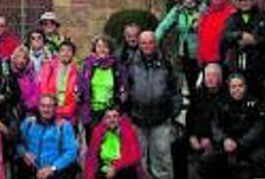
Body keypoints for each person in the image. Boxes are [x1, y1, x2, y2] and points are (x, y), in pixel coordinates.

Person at [126, 31, 182, 179]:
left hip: (161, 120)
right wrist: (128, 116)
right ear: (139, 44)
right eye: (143, 43)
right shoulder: (131, 64)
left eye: (150, 42)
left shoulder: (167, 63)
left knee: (162, 160)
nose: (147, 46)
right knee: (140, 160)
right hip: (138, 120)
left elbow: (175, 89)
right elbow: (125, 90)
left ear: (155, 43)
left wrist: (173, 113)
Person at [221, 0, 265, 99]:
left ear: (252, 0)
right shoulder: (232, 18)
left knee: (260, 95)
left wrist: (255, 40)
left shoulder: (264, 17)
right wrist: (239, 35)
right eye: (241, 0)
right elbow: (225, 37)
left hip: (260, 64)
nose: (244, 3)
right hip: (238, 64)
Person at [210, 74, 265, 179]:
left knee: (260, 159)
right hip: (227, 144)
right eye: (233, 86)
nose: (237, 89)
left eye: (240, 86)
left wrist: (240, 143)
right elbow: (215, 126)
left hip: (249, 146)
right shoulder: (221, 103)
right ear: (229, 88)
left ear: (245, 87)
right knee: (208, 158)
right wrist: (224, 140)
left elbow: (259, 128)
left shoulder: (255, 104)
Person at [155, 0, 205, 94]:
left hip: (202, 52)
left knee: (202, 83)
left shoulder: (203, 9)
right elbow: (163, 26)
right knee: (190, 82)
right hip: (185, 52)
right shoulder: (178, 10)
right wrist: (153, 41)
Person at [16, 94, 79, 179]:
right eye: (43, 106)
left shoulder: (64, 126)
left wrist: (52, 168)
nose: (46, 109)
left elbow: (72, 152)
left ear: (55, 108)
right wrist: (24, 153)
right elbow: (18, 142)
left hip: (55, 173)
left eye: (50, 106)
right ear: (38, 107)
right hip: (31, 171)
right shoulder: (29, 123)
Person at [78, 35, 127, 137]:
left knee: (108, 144)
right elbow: (80, 83)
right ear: (94, 49)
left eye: (105, 47)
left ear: (110, 49)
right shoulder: (87, 65)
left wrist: (122, 95)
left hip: (110, 111)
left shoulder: (116, 65)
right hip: (91, 112)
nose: (102, 50)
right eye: (99, 46)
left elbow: (122, 85)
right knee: (92, 143)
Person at [187, 64, 225, 179]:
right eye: (208, 75)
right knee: (176, 148)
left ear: (220, 78)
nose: (210, 78)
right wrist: (191, 137)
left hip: (216, 142)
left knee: (206, 159)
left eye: (214, 75)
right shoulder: (197, 95)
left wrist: (211, 140)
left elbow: (224, 126)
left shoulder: (225, 98)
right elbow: (190, 119)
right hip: (196, 139)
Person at [84, 108, 144, 179]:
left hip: (123, 167)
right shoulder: (98, 132)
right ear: (104, 120)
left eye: (115, 116)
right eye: (108, 117)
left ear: (119, 119)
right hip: (105, 167)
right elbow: (91, 157)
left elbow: (135, 155)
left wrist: (115, 167)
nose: (112, 120)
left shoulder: (127, 131)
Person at [39, 40, 80, 125]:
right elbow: (43, 90)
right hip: (50, 113)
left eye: (69, 51)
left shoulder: (77, 71)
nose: (66, 53)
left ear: (73, 54)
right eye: (63, 50)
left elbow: (76, 96)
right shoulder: (49, 67)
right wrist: (53, 110)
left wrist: (66, 111)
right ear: (58, 53)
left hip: (69, 115)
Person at [198, 0, 236, 70]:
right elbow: (201, 36)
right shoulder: (206, 13)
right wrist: (200, 56)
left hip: (222, 58)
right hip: (206, 59)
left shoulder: (231, 13)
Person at [8, 45, 41, 117]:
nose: (21, 60)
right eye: (18, 57)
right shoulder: (8, 74)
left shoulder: (32, 75)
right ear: (14, 58)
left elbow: (37, 93)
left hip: (29, 110)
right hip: (11, 110)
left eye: (24, 58)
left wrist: (27, 105)